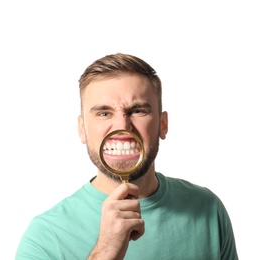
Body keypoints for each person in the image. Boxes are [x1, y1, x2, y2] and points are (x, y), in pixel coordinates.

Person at [15, 53, 239, 259]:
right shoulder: (45, 236)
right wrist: (106, 249)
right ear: (82, 129)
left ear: (162, 125)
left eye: (138, 111)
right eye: (104, 113)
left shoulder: (207, 208)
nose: (122, 126)